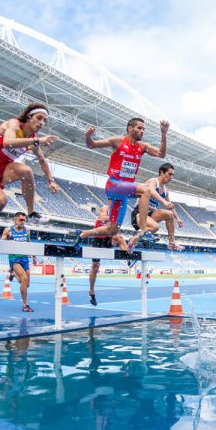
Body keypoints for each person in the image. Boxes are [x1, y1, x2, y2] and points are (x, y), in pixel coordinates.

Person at [0, 103, 59, 244]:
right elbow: (8, 142)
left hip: (3, 169)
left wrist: (50, 180)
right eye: (39, 118)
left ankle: (31, 212)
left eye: (44, 121)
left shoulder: (32, 138)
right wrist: (37, 141)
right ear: (29, 117)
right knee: (1, 202)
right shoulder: (14, 124)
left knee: (27, 171)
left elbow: (42, 160)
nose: (41, 123)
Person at [75, 118, 170, 251]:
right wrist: (88, 136)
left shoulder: (143, 147)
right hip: (114, 185)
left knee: (112, 230)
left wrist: (164, 133)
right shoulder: (118, 141)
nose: (142, 131)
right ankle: (143, 232)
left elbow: (161, 154)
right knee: (145, 190)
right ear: (130, 129)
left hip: (124, 192)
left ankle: (82, 234)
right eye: (139, 128)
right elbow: (92, 145)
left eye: (144, 129)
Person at [130, 163, 185, 250]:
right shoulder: (153, 181)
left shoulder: (166, 191)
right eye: (169, 174)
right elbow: (151, 191)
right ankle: (134, 239)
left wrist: (177, 218)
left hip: (150, 215)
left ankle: (172, 243)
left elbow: (170, 205)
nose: (171, 177)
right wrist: (164, 201)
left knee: (169, 214)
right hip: (139, 214)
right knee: (155, 227)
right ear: (162, 173)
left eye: (173, 175)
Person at [88, 205, 129, 306]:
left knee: (119, 237)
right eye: (106, 210)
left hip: (107, 240)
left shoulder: (112, 218)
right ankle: (91, 291)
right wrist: (115, 216)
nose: (107, 211)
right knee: (96, 267)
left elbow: (114, 229)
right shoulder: (102, 216)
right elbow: (105, 218)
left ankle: (127, 256)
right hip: (97, 241)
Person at [0, 212, 37, 312]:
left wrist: (34, 256)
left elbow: (29, 243)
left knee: (26, 284)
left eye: (24, 220)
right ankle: (25, 305)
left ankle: (13, 274)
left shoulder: (27, 230)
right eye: (21, 220)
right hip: (14, 258)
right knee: (24, 279)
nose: (23, 222)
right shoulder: (8, 230)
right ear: (15, 220)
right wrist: (8, 241)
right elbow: (1, 243)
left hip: (24, 258)